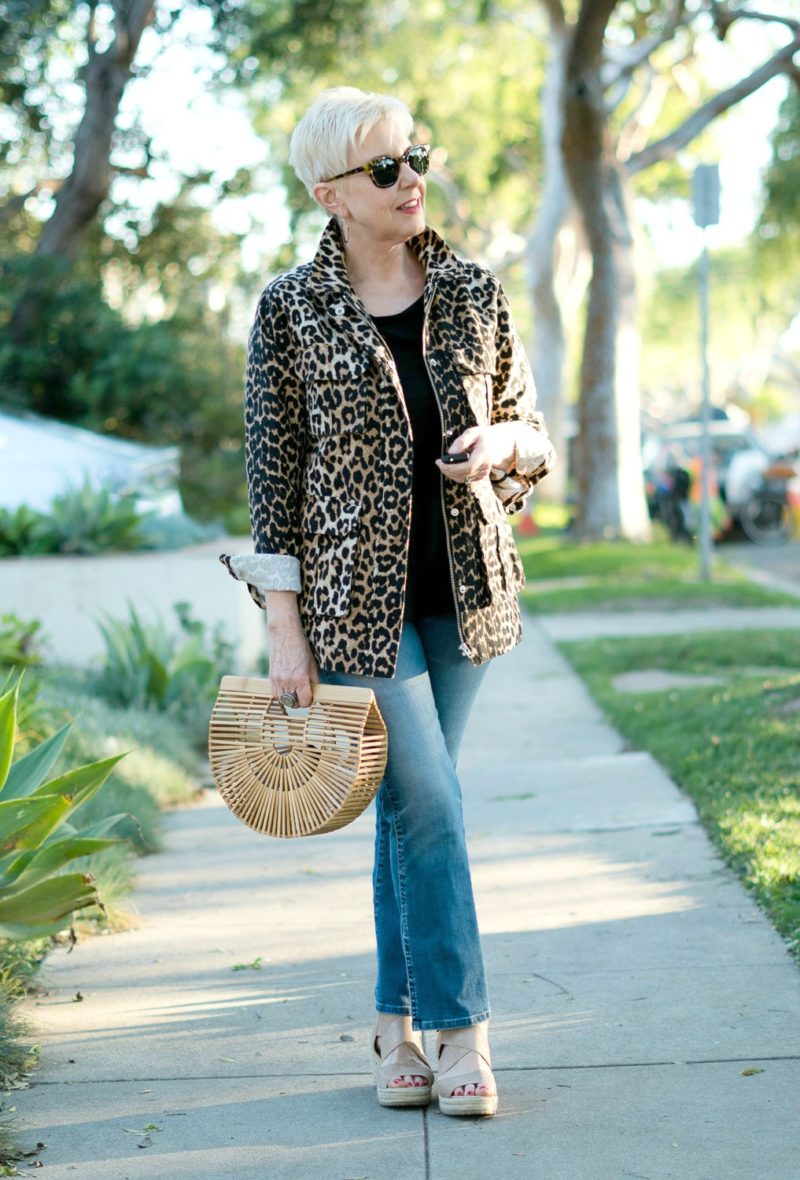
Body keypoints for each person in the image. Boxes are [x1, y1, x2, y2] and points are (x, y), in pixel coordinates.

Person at [220, 86, 555, 1118]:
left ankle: (390, 1026)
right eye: (384, 169)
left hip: (466, 600)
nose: (411, 178)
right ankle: (461, 1038)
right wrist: (283, 627)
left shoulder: (472, 289)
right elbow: (272, 479)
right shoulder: (289, 309)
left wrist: (501, 445)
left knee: (410, 813)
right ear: (331, 194)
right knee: (431, 802)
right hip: (351, 612)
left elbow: (532, 435)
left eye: (415, 157)